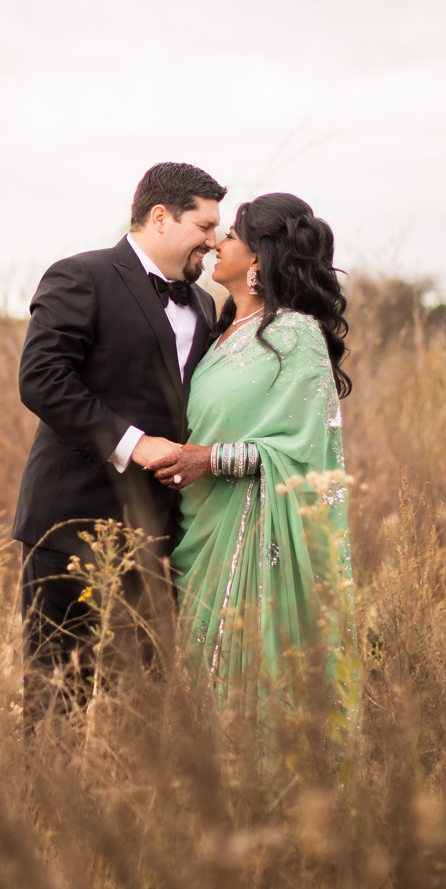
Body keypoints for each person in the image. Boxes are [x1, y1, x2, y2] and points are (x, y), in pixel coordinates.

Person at [12, 162, 225, 718]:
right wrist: (135, 443)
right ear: (161, 217)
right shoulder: (81, 276)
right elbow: (42, 380)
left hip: (162, 541)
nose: (216, 240)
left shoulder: (204, 305)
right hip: (71, 527)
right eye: (205, 226)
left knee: (146, 714)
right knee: (57, 704)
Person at [145, 192, 354, 717]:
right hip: (199, 528)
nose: (216, 242)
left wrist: (208, 461)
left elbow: (302, 450)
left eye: (231, 235)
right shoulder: (218, 332)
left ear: (259, 257)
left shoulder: (296, 336)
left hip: (256, 534)